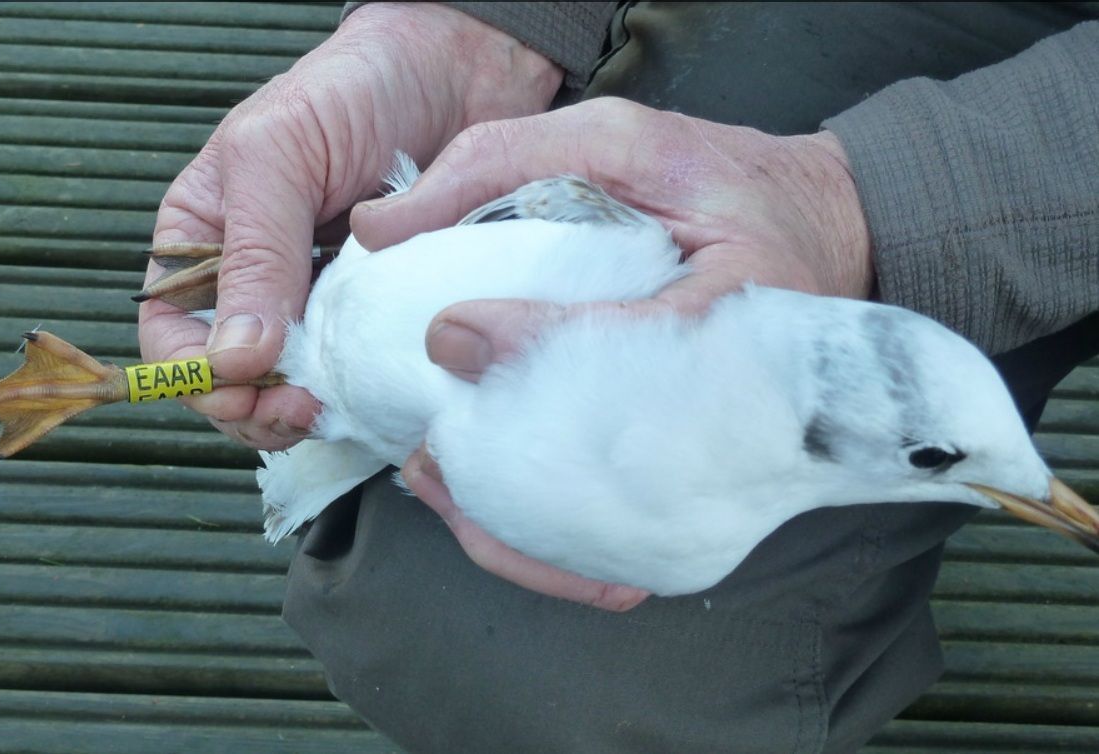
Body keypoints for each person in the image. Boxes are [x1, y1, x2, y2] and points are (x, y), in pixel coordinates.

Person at [139, 3, 1099, 751]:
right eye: (934, 456)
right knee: (274, 372)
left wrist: (861, 206)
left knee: (578, 686)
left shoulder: (692, 542)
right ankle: (117, 382)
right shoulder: (633, 257)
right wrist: (478, 25)